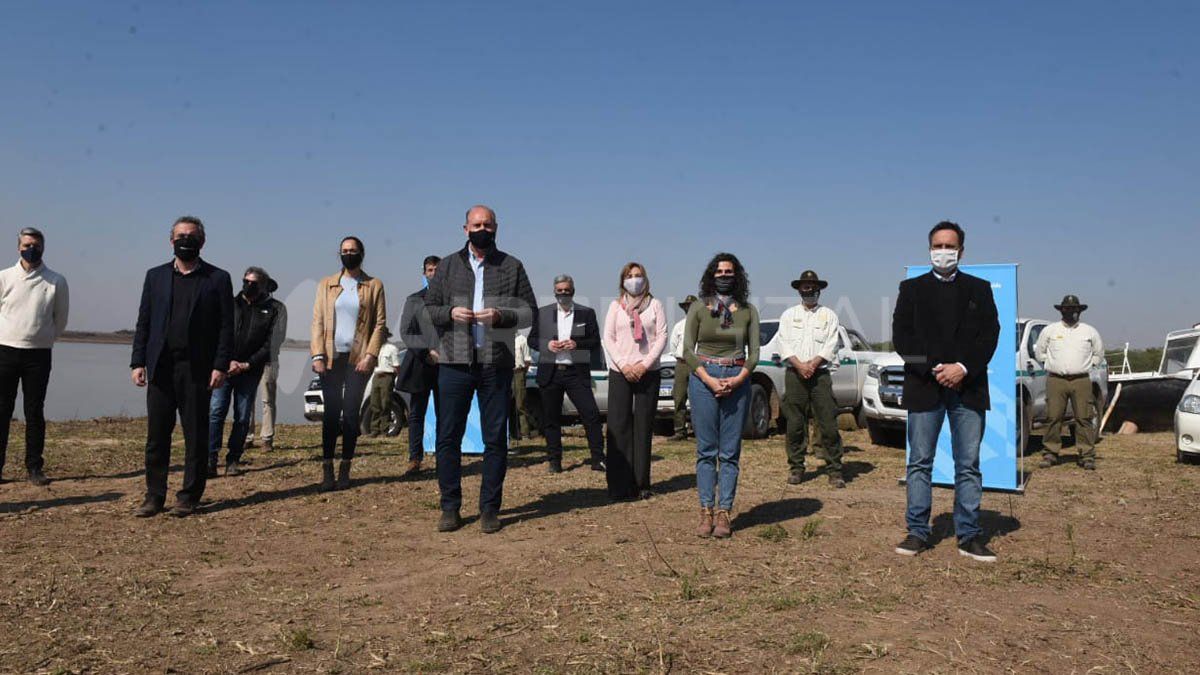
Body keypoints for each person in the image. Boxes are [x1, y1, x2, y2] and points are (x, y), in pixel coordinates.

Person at [892, 221, 1000, 562]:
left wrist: (963, 368)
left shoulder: (980, 290)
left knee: (967, 464)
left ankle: (969, 534)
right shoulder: (911, 289)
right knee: (919, 462)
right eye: (937, 246)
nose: (943, 252)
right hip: (925, 387)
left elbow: (990, 336)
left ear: (961, 251)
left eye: (949, 246)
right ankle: (918, 531)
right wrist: (934, 368)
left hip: (968, 389)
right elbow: (901, 337)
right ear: (929, 250)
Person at [425, 205, 536, 533]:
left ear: (496, 228)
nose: (482, 229)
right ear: (465, 228)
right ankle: (450, 507)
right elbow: (429, 308)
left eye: (487, 224)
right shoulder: (447, 266)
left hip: (494, 362)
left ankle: (489, 508)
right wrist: (450, 313)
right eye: (476, 224)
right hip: (454, 361)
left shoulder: (512, 266)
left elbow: (529, 312)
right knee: (448, 436)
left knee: (494, 439)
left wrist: (501, 316)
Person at [130, 216, 233, 517]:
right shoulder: (155, 276)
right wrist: (138, 361)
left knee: (196, 435)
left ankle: (188, 496)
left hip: (197, 369)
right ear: (170, 240)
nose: (185, 240)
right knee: (157, 435)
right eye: (180, 235)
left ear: (202, 241)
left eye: (191, 236)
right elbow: (144, 322)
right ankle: (154, 496)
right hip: (161, 366)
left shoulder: (218, 278)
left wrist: (220, 365)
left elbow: (227, 327)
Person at [684, 253, 759, 538]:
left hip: (737, 379)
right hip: (704, 379)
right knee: (706, 450)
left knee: (729, 452)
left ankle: (724, 512)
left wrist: (739, 379)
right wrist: (709, 379)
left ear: (736, 275)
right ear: (711, 275)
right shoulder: (698, 308)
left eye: (729, 272)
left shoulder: (748, 310)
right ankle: (705, 510)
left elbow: (755, 354)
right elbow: (687, 351)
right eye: (719, 271)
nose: (724, 276)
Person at [310, 236, 387, 492]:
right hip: (332, 357)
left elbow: (379, 324)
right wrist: (317, 355)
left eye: (353, 250)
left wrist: (370, 355)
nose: (348, 254)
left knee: (351, 413)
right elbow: (318, 321)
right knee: (331, 413)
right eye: (344, 251)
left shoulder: (374, 285)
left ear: (361, 253)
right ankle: (328, 469)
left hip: (358, 358)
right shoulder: (327, 284)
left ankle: (346, 466)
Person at [0, 227, 69, 486]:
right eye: (27, 244)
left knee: (34, 411)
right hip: (5, 350)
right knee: (2, 410)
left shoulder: (56, 281)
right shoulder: (4, 277)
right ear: (18, 247)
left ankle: (34, 468)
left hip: (38, 355)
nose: (32, 249)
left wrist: (45, 338)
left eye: (37, 245)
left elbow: (60, 319)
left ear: (43, 248)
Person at [208, 267, 285, 477]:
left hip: (250, 370)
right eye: (245, 281)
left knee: (242, 416)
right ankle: (210, 458)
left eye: (253, 283)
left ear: (263, 286)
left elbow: (272, 344)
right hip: (224, 368)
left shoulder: (274, 309)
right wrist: (225, 362)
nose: (248, 286)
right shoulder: (230, 304)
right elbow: (217, 334)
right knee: (216, 411)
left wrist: (247, 364)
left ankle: (233, 458)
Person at [602, 263, 667, 499]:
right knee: (618, 427)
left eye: (638, 276)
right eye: (629, 276)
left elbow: (662, 337)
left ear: (646, 279)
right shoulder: (615, 306)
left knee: (642, 427)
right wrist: (624, 364)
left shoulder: (655, 305)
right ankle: (618, 486)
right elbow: (608, 338)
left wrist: (644, 365)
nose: (634, 279)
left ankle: (641, 483)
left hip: (647, 372)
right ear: (622, 281)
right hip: (620, 371)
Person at [777, 270, 846, 488]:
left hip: (820, 374)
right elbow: (783, 343)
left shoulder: (829, 315)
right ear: (799, 289)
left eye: (812, 286)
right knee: (795, 424)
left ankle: (834, 469)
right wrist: (799, 365)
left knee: (827, 423)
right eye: (805, 287)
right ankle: (796, 467)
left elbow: (831, 343)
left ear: (819, 289)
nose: (809, 290)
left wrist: (813, 364)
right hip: (795, 374)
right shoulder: (788, 315)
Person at [529, 274, 604, 473]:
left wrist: (577, 344)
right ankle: (555, 460)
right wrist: (547, 345)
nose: (563, 293)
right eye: (560, 290)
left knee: (591, 415)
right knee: (551, 419)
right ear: (555, 291)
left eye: (566, 290)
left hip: (575, 373)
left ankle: (598, 459)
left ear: (573, 290)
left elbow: (595, 341)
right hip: (550, 373)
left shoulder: (586, 313)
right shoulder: (543, 313)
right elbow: (532, 340)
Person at [1035, 295, 1103, 471]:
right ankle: (1050, 453)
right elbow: (1040, 352)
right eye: (1067, 309)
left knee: (1084, 417)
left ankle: (1086, 455)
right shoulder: (1050, 331)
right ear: (1061, 311)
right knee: (1053, 417)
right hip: (1056, 379)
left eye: (1074, 310)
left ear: (1079, 311)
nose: (1071, 312)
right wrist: (1050, 364)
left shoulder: (1089, 332)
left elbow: (1098, 353)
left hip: (1081, 380)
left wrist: (1089, 365)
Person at [397, 255, 441, 476]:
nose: (433, 273)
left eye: (437, 269)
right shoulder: (414, 300)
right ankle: (415, 458)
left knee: (447, 414)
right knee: (417, 414)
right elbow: (406, 332)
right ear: (424, 273)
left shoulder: (454, 300)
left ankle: (446, 457)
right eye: (430, 270)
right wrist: (427, 351)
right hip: (420, 363)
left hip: (446, 364)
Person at [245, 278, 286, 453]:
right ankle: (246, 436)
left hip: (269, 360)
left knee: (267, 399)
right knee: (247, 399)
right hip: (247, 360)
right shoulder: (247, 306)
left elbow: (279, 335)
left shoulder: (279, 308)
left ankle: (267, 438)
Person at [669, 295, 698, 441]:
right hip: (681, 364)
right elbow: (673, 346)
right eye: (687, 306)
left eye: (692, 305)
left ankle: (699, 430)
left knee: (698, 398)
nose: (689, 308)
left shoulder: (702, 325)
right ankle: (680, 431)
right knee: (679, 398)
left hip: (697, 364)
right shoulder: (679, 326)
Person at [367, 327, 402, 437]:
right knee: (374, 403)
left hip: (387, 376)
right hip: (376, 376)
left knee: (385, 403)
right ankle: (374, 429)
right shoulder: (374, 348)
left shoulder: (392, 348)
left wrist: (395, 378)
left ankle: (384, 429)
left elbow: (397, 366)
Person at [511, 332, 536, 440]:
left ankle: (526, 432)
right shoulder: (504, 337)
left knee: (520, 403)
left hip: (518, 372)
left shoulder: (522, 339)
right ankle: (512, 433)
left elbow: (527, 360)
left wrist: (522, 374)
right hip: (505, 372)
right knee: (507, 405)